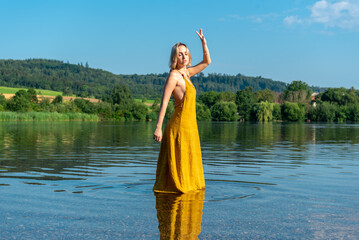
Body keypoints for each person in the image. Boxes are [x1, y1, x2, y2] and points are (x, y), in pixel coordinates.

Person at [153, 29, 211, 193]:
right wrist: (158, 127)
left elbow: (207, 62)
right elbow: (164, 103)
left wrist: (203, 43)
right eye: (179, 54)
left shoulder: (187, 73)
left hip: (191, 128)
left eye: (185, 53)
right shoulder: (174, 76)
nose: (184, 57)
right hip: (178, 128)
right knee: (179, 165)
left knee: (189, 162)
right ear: (174, 57)